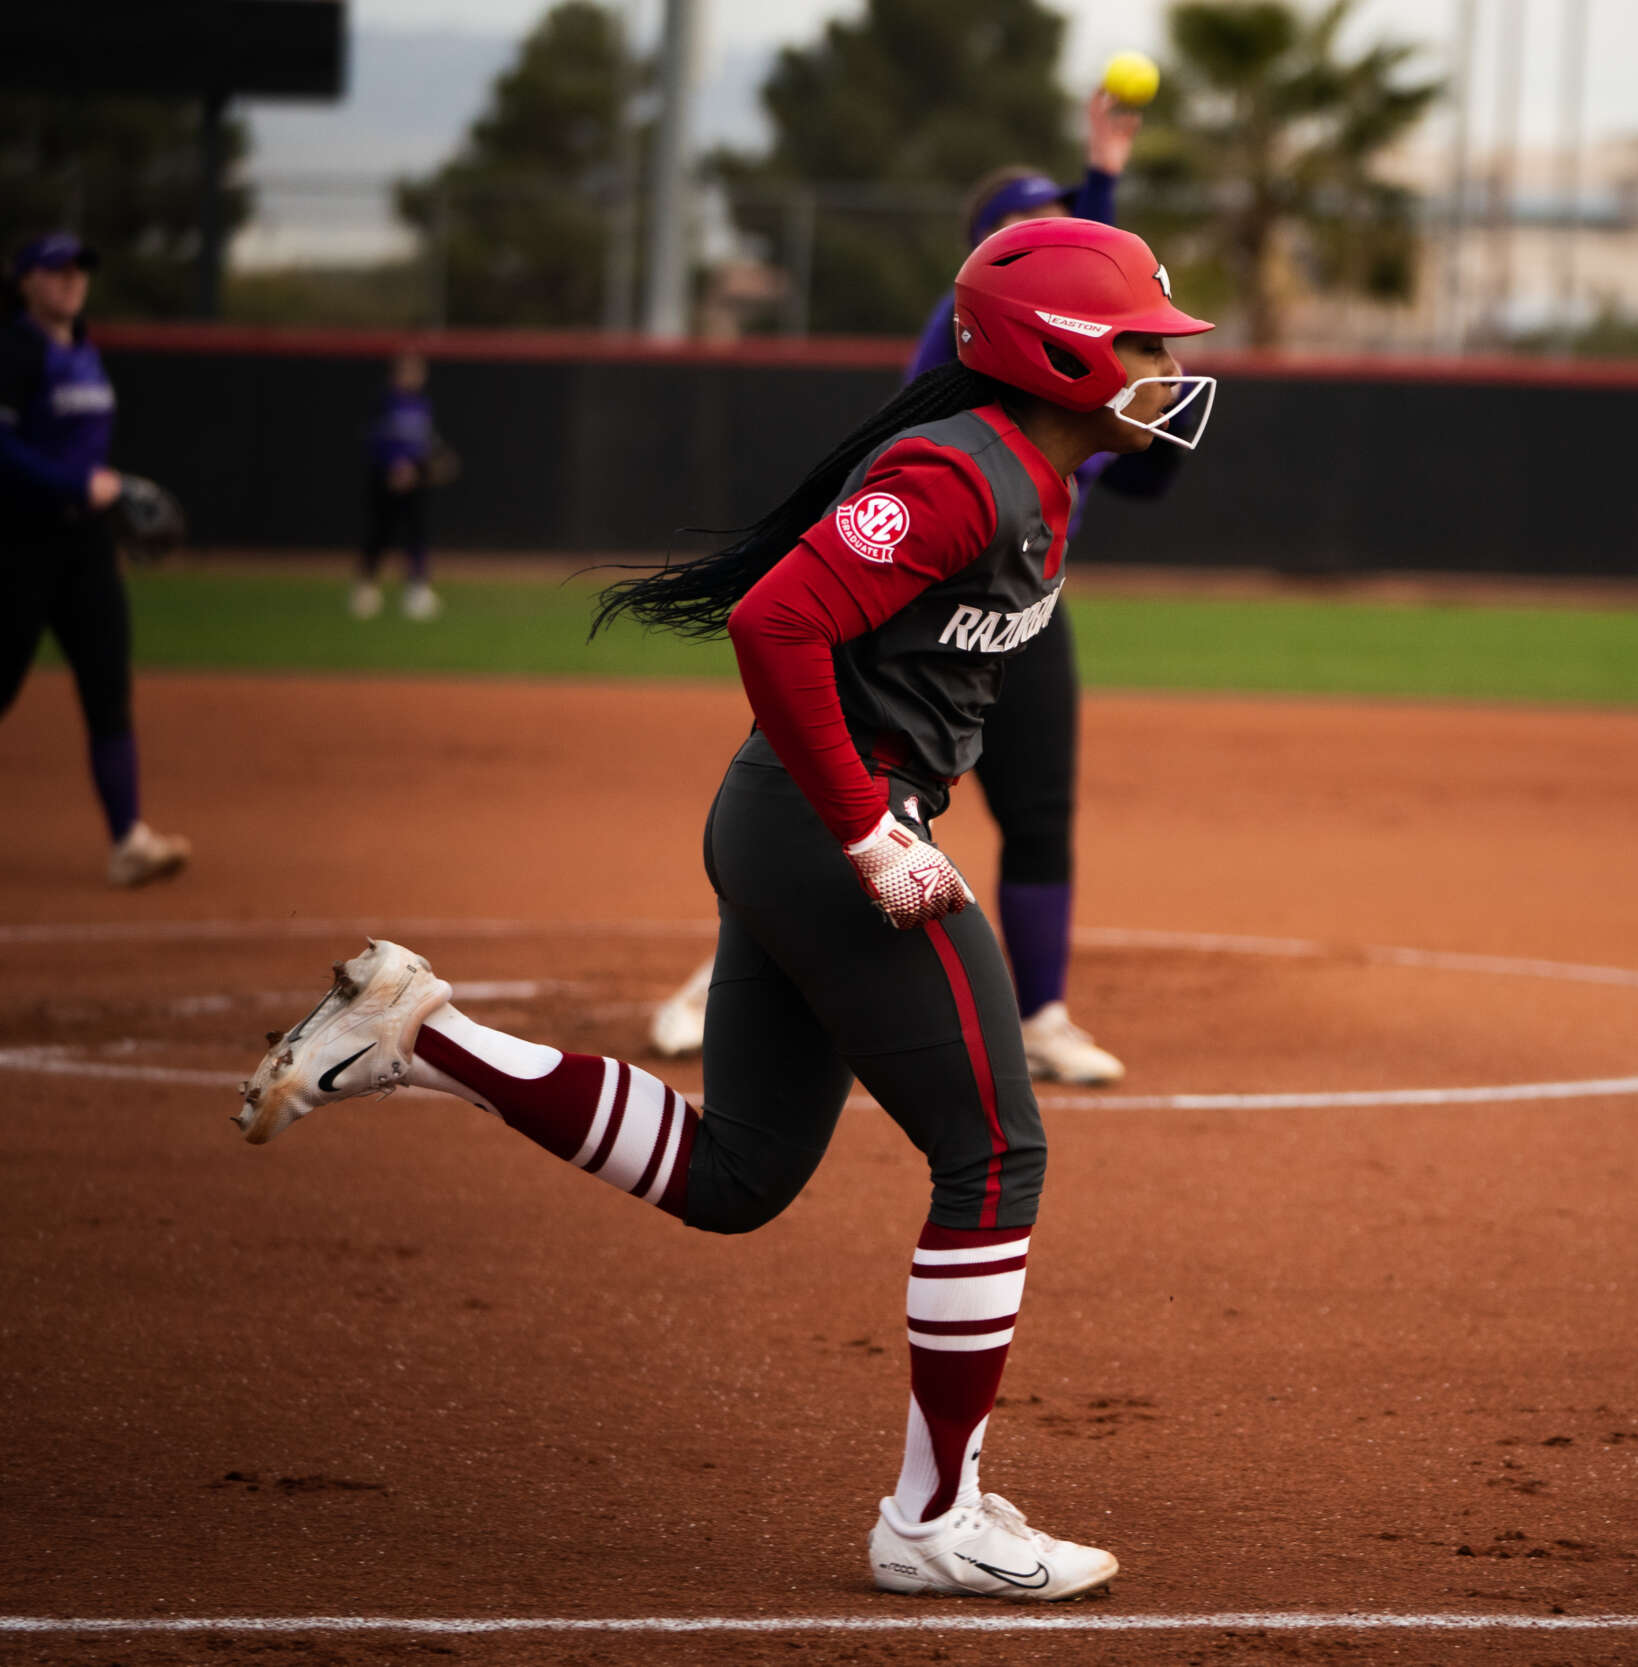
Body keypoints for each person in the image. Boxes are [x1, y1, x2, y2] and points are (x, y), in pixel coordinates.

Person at [237, 218, 1217, 1602]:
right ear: (1055, 351)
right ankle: (934, 1518)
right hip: (825, 826)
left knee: (737, 1175)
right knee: (997, 1151)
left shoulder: (1037, 478)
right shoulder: (961, 470)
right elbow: (775, 622)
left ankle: (421, 1033)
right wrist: (871, 827)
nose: (1168, 366)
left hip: (799, 821)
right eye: (1143, 339)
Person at [649, 92, 1178, 1087]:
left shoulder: (1091, 400)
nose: (1061, 241)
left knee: (1033, 810)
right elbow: (775, 619)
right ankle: (726, 973)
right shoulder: (974, 350)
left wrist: (1103, 172)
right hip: (926, 605)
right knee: (853, 810)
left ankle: (1045, 1011)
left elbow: (1106, 310)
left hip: (1021, 612)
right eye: (1029, 228)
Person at [0, 232, 190, 888]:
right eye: (56, 270)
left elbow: (81, 451)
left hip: (84, 545)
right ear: (26, 280)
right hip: (18, 542)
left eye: (80, 269)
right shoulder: (15, 350)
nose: (72, 280)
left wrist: (103, 492)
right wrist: (77, 486)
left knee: (108, 684)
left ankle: (127, 840)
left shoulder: (84, 349)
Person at [352, 349, 441, 622]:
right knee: (381, 532)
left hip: (414, 480)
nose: (414, 376)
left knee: (416, 534)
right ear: (396, 373)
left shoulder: (423, 404)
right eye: (408, 370)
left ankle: (417, 589)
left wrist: (424, 466)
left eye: (417, 371)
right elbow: (374, 438)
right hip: (385, 479)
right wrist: (393, 466)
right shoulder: (384, 402)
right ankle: (366, 588)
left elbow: (424, 443)